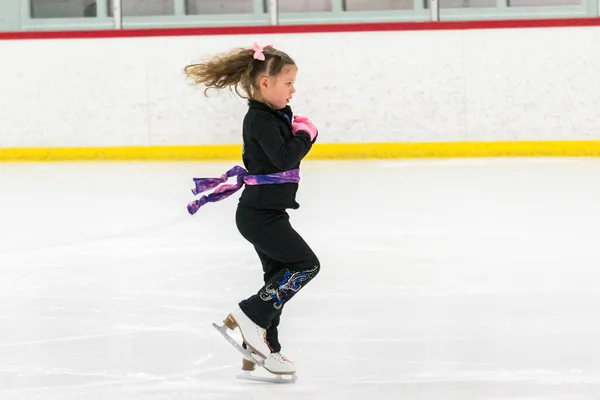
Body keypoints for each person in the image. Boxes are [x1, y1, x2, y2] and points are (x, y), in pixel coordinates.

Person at [184, 42, 321, 375]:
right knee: (305, 265)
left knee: (276, 278)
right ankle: (249, 314)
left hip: (265, 213)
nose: (293, 89)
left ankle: (260, 347)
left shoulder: (271, 114)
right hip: (260, 216)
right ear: (265, 84)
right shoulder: (259, 120)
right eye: (288, 82)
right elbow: (284, 157)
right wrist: (306, 136)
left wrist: (293, 125)